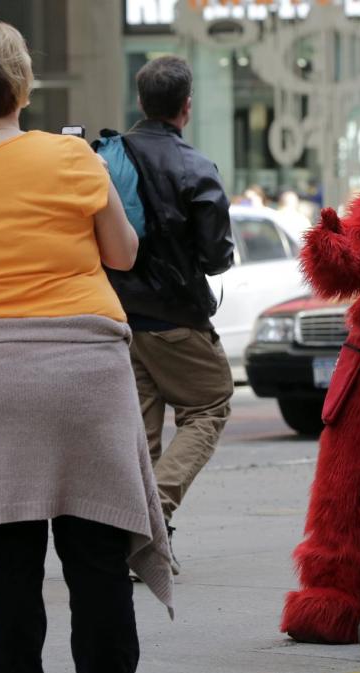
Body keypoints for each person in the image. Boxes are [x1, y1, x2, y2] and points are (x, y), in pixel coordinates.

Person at [0, 17, 172, 673]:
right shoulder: (72, 157)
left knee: (5, 576)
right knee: (98, 566)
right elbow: (123, 253)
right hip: (85, 373)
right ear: (22, 87)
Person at [106, 55, 235, 574]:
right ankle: (154, 513)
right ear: (186, 107)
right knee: (211, 404)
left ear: (140, 102)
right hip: (176, 318)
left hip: (119, 316)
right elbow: (216, 256)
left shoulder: (106, 156)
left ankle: (141, 545)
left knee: (142, 434)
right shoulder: (196, 168)